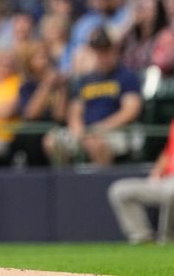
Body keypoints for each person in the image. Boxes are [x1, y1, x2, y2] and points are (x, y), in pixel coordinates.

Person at [44, 28, 142, 166]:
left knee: (95, 144)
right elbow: (75, 110)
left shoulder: (126, 76)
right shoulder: (86, 79)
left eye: (106, 50)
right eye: (98, 51)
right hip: (86, 131)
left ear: (115, 50)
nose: (102, 55)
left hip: (116, 131)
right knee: (52, 141)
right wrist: (78, 130)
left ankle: (100, 184)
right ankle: (66, 182)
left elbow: (130, 111)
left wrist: (102, 127)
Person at [108, 116, 174, 244]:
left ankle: (168, 239)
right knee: (120, 190)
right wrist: (156, 172)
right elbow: (168, 152)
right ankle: (142, 238)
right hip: (166, 180)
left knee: (172, 191)